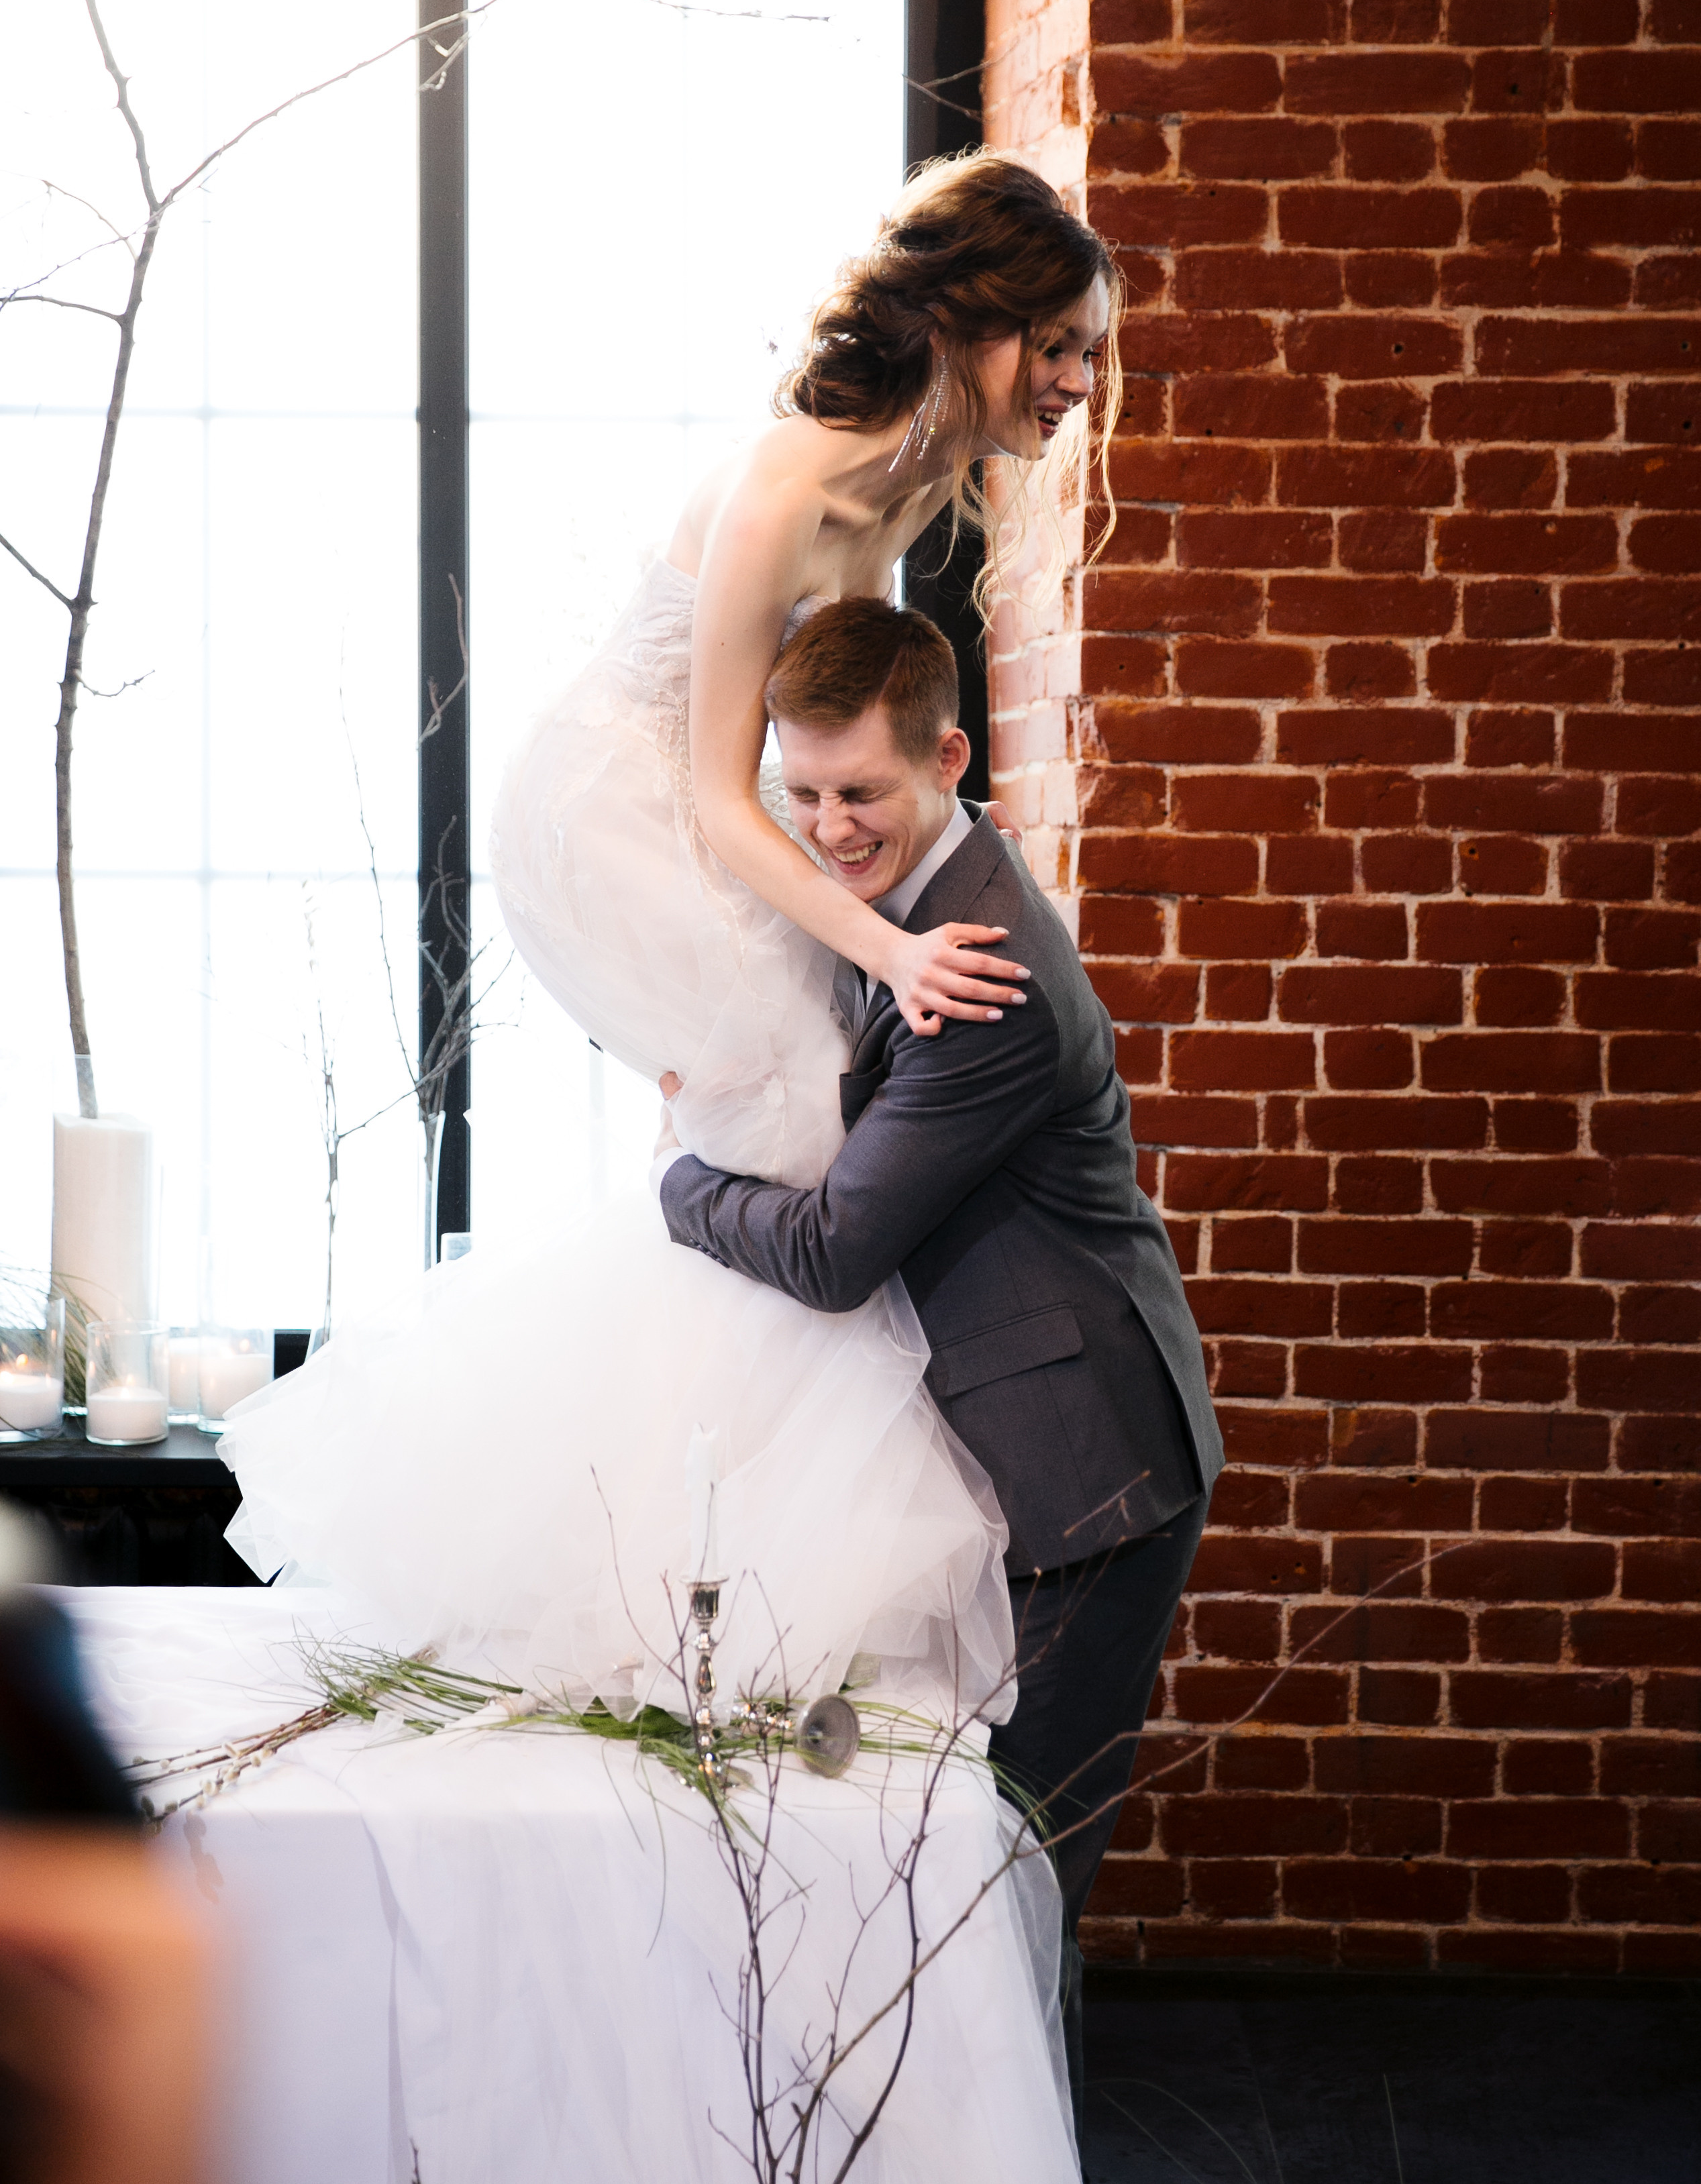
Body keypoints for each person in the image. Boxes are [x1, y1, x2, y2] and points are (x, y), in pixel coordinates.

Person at [221, 150, 1125, 1738]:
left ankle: (715, 1562)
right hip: (607, 814)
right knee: (787, 1110)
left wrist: (885, 926)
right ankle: (658, 1576)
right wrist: (897, 956)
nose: (1071, 380)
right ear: (966, 317)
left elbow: (832, 757)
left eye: (1084, 352)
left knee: (782, 1110)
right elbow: (716, 795)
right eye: (1051, 342)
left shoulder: (921, 481)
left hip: (713, 818)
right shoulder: (794, 483)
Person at [655, 597, 1222, 2123]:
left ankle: (1012, 2147)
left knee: (1013, 1868)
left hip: (1086, 1456)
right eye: (808, 794)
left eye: (866, 795)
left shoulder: (979, 970)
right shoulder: (902, 898)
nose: (832, 830)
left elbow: (838, 1249)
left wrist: (681, 1182)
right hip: (1009, 1418)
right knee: (962, 1857)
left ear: (950, 758)